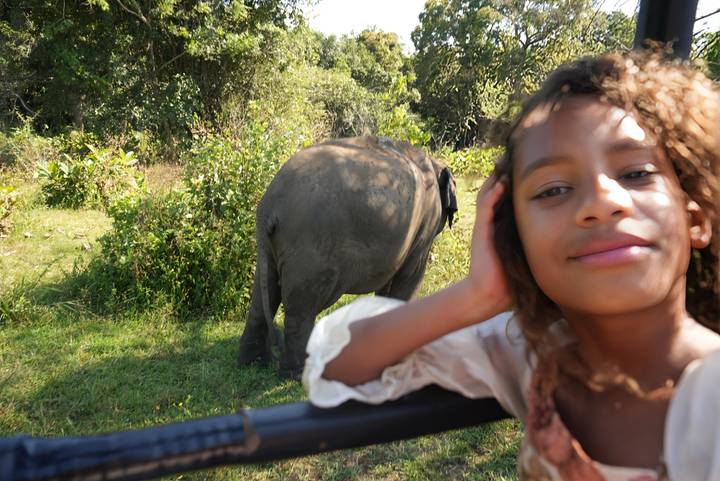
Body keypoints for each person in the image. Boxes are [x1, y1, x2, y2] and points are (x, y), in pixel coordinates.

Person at [302, 49, 720, 481]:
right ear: (514, 236)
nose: (601, 201)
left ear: (696, 218)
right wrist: (476, 295)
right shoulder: (533, 354)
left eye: (636, 173)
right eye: (553, 189)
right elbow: (335, 361)